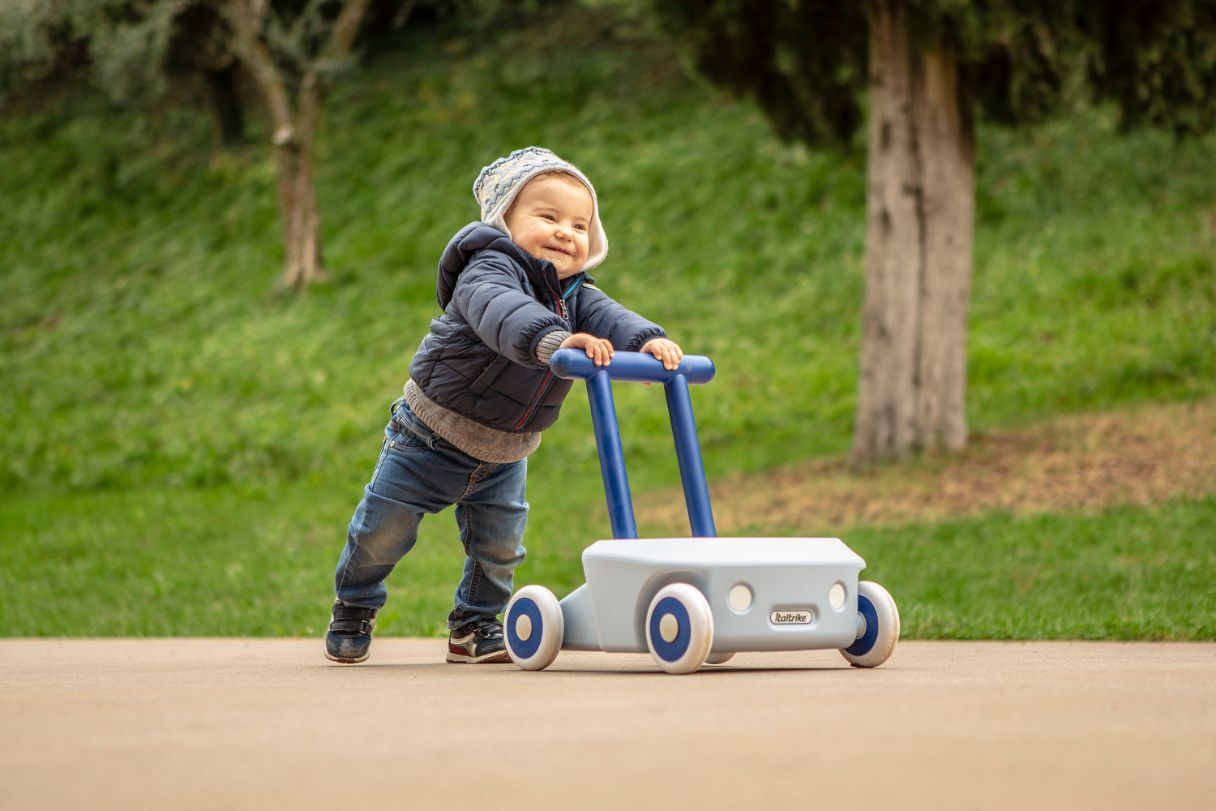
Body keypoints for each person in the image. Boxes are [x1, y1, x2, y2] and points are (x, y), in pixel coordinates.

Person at [325, 147, 683, 664]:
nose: (566, 232)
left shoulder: (575, 292)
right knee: (383, 532)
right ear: (505, 220)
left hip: (506, 450)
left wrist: (646, 341)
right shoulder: (486, 270)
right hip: (429, 436)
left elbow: (609, 317)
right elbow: (504, 313)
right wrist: (554, 339)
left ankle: (475, 625)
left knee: (499, 548)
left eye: (581, 225)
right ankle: (354, 604)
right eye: (548, 217)